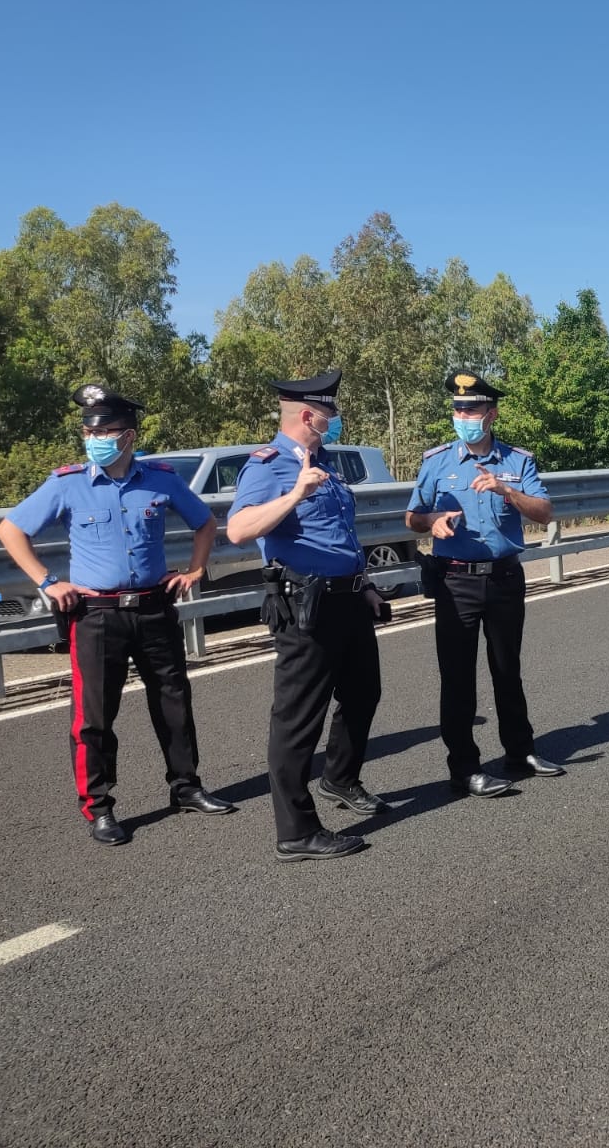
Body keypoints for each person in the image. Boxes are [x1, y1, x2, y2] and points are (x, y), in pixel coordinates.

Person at [0, 384, 234, 846]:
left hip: (154, 607)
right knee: (94, 717)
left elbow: (204, 522)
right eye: (88, 430)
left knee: (174, 703)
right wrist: (47, 581)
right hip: (97, 615)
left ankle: (186, 787)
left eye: (105, 430)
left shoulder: (161, 479)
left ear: (129, 436)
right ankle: (99, 807)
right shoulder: (68, 483)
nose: (94, 438)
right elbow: (10, 529)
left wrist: (197, 569)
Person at [226, 368, 384, 862]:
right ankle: (295, 831)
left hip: (348, 599)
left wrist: (368, 586)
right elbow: (238, 529)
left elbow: (340, 535)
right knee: (297, 720)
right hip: (306, 606)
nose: (337, 422)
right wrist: (294, 494)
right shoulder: (268, 465)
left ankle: (339, 778)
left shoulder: (326, 461)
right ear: (310, 416)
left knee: (364, 693)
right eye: (332, 414)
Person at [406, 372, 561, 795]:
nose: (463, 416)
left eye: (471, 409)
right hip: (455, 580)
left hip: (505, 578)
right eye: (458, 409)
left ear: (490, 414)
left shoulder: (517, 461)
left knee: (507, 670)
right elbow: (413, 516)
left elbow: (544, 512)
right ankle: (464, 767)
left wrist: (506, 492)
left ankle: (520, 752)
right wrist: (432, 521)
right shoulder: (436, 461)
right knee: (457, 678)